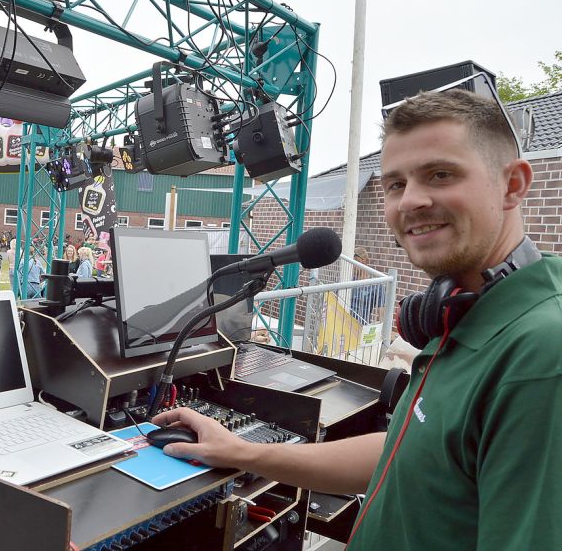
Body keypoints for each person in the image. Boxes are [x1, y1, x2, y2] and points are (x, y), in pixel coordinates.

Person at [152, 89, 562, 551]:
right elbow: (406, 450)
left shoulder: (541, 358)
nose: (411, 201)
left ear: (513, 185)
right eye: (395, 184)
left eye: (441, 175)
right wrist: (241, 451)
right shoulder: (471, 309)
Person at [350, 246, 385, 323]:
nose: (352, 265)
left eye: (355, 261)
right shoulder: (347, 281)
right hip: (343, 326)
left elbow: (381, 312)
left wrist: (380, 331)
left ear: (364, 262)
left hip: (361, 327)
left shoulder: (376, 285)